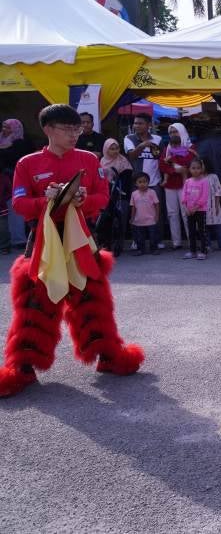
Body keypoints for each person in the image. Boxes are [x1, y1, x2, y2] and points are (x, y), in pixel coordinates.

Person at [0, 104, 144, 397]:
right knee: (34, 303)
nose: (75, 134)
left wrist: (82, 199)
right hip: (42, 240)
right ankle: (23, 366)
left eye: (78, 128)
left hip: (81, 239)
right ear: (48, 129)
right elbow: (17, 204)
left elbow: (103, 197)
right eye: (68, 129)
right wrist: (46, 201)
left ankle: (107, 355)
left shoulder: (89, 160)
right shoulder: (27, 163)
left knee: (94, 300)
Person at [124, 114, 164, 248]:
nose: (136, 126)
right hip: (137, 183)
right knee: (136, 213)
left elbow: (160, 158)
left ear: (148, 125)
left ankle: (157, 241)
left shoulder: (158, 139)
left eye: (140, 123)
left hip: (154, 182)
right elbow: (132, 155)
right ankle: (137, 240)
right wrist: (143, 145)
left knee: (156, 213)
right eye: (135, 123)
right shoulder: (129, 138)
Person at [159, 123, 197, 250]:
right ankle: (177, 242)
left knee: (187, 212)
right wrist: (176, 170)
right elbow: (162, 165)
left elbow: (190, 163)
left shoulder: (190, 147)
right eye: (171, 133)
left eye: (175, 132)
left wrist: (178, 166)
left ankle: (192, 241)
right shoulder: (168, 148)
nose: (173, 135)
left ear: (182, 132)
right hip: (170, 185)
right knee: (172, 213)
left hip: (186, 185)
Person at [0, 119, 33, 248]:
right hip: (2, 180)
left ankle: (18, 239)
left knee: (15, 210)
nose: (4, 130)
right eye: (3, 127)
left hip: (16, 179)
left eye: (8, 127)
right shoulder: (1, 140)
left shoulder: (21, 143)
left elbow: (21, 160)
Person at [181, 158, 211, 260]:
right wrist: (186, 208)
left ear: (201, 169)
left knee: (202, 231)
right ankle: (192, 251)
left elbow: (204, 197)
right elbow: (184, 196)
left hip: (200, 211)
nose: (196, 170)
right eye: (193, 168)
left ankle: (203, 251)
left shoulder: (205, 181)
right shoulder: (187, 182)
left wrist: (196, 207)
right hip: (189, 211)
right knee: (191, 231)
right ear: (189, 169)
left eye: (198, 168)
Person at [130, 172, 161, 255]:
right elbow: (133, 207)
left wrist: (157, 216)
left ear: (148, 182)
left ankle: (154, 249)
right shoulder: (134, 194)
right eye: (140, 182)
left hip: (151, 219)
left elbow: (157, 205)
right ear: (135, 184)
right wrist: (132, 218)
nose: (142, 184)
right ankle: (140, 249)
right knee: (140, 237)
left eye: (145, 182)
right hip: (138, 220)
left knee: (153, 235)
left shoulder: (152, 192)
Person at [203, 162, 221, 251]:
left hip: (214, 205)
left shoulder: (213, 176)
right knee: (204, 227)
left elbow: (218, 191)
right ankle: (207, 245)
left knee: (219, 226)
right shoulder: (198, 178)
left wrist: (217, 206)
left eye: (202, 165)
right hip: (202, 207)